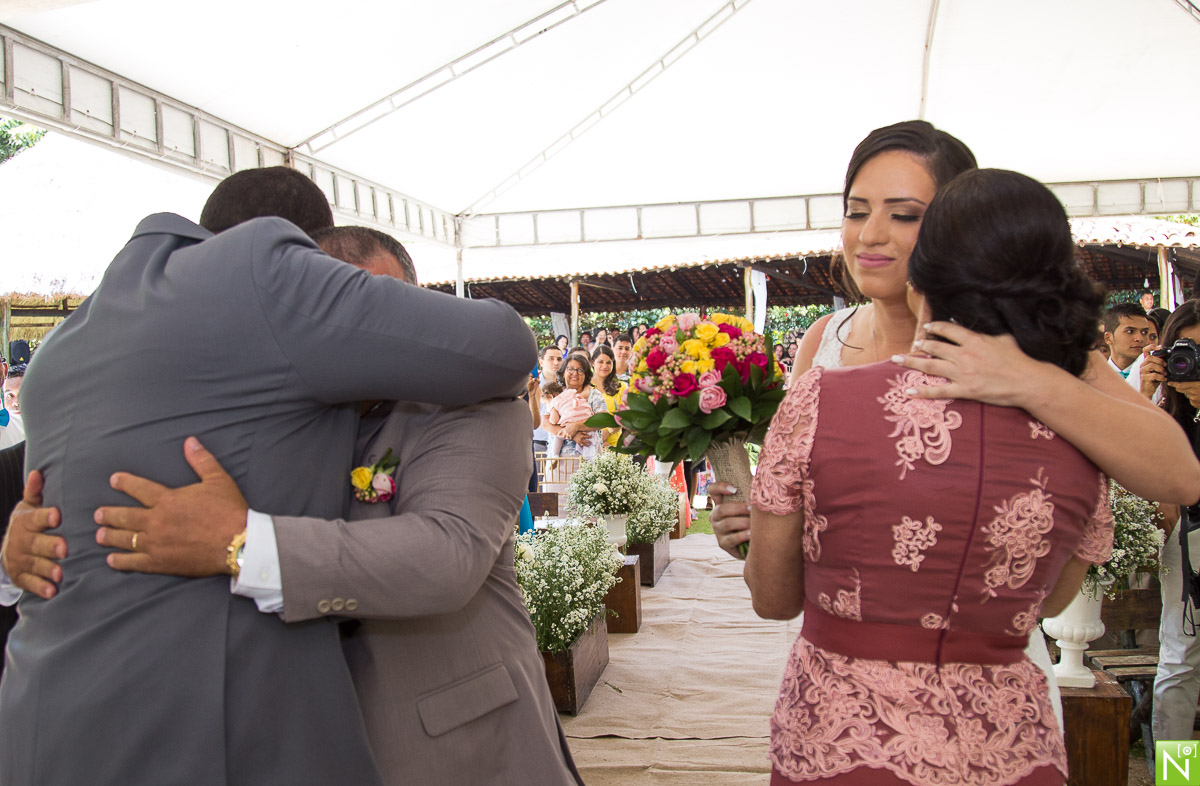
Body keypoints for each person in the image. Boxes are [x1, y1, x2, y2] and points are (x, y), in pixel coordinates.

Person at [0, 167, 537, 786]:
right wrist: (24, 550)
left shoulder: (466, 407)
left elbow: (445, 556)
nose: (365, 333)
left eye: (383, 311)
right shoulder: (242, 347)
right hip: (251, 737)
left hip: (448, 751)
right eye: (348, 306)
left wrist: (243, 544)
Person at [711, 119, 1200, 729]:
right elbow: (808, 541)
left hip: (989, 679)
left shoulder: (1049, 356)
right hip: (844, 678)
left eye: (906, 214)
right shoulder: (825, 342)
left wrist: (1029, 379)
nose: (872, 234)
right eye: (857, 210)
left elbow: (1179, 475)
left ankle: (1179, 769)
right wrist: (757, 526)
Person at [747, 168, 1116, 785]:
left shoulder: (820, 401)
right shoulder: (1087, 429)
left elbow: (774, 597)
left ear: (922, 279)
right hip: (1011, 745)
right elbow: (1050, 600)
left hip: (844, 743)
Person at [1150, 300, 1200, 745]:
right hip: (1184, 546)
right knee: (1180, 660)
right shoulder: (1161, 408)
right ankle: (1176, 777)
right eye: (1187, 352)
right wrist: (1140, 395)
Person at [544, 354, 605, 462]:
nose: (575, 373)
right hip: (558, 462)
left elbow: (603, 419)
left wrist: (576, 426)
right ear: (563, 372)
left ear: (586, 375)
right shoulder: (556, 394)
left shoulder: (594, 395)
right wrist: (572, 434)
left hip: (589, 462)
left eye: (580, 370)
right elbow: (545, 423)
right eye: (570, 369)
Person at [591, 344, 627, 448]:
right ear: (593, 363)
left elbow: (625, 416)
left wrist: (608, 431)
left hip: (615, 445)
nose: (605, 366)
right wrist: (598, 440)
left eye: (608, 362)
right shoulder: (585, 387)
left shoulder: (621, 387)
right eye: (600, 362)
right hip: (589, 445)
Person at [1103, 302, 1151, 379]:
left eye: (1144, 332)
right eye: (1130, 331)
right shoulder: (1093, 379)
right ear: (1108, 338)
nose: (1140, 338)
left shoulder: (1155, 376)